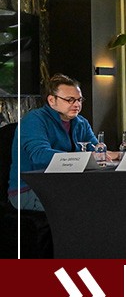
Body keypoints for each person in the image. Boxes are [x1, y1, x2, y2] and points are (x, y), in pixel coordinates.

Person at [9, 74, 118, 210]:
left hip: (67, 185)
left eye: (79, 100)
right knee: (91, 204)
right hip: (30, 189)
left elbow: (97, 151)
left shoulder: (81, 122)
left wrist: (120, 155)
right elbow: (40, 156)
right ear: (51, 100)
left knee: (113, 196)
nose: (77, 104)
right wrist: (85, 157)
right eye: (70, 100)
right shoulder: (34, 120)